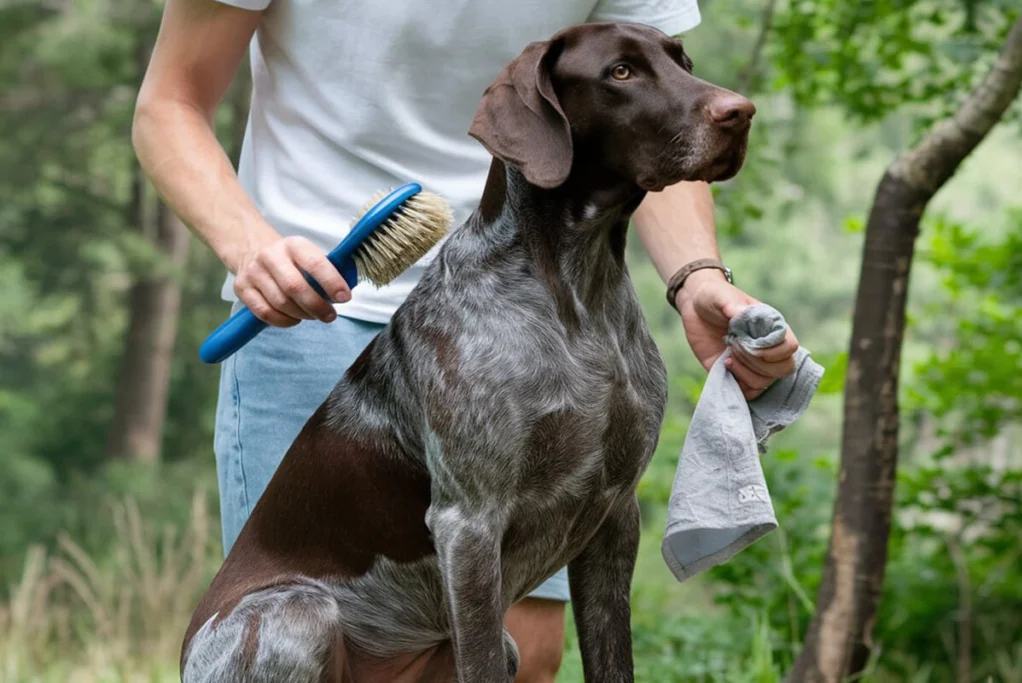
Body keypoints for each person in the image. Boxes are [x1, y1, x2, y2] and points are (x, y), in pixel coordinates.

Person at [133, 0, 800, 680]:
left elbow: (647, 129)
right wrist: (251, 248)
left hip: (553, 295)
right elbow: (170, 101)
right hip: (313, 300)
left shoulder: (627, 349)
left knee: (526, 660)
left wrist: (697, 278)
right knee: (289, 645)